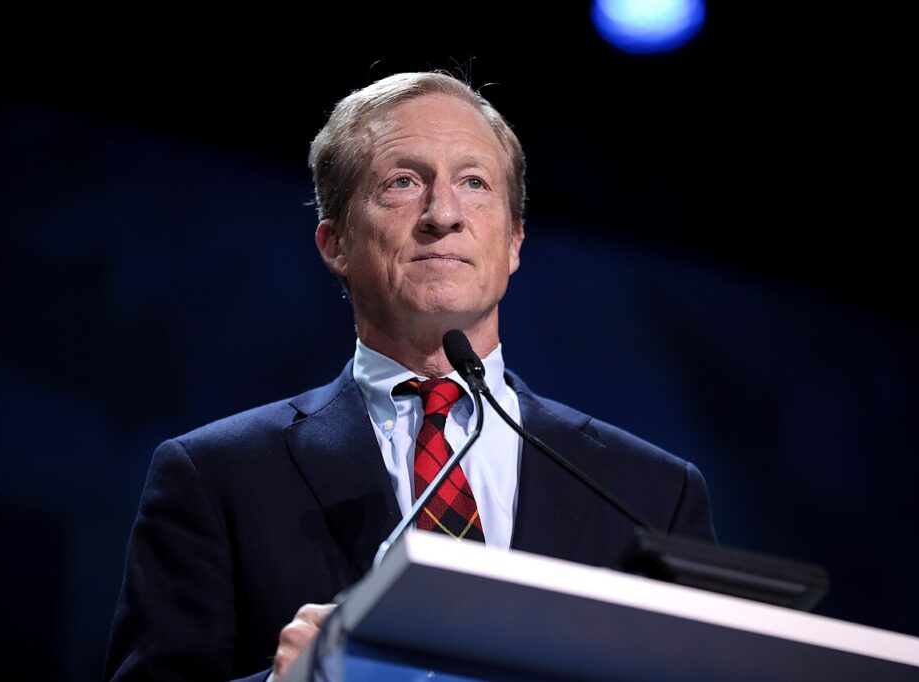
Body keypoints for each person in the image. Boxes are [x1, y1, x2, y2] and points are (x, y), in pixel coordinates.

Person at [104, 71, 716, 682]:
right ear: (334, 242)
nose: (443, 215)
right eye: (403, 182)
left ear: (514, 243)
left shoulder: (651, 493)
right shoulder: (215, 476)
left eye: (474, 183)